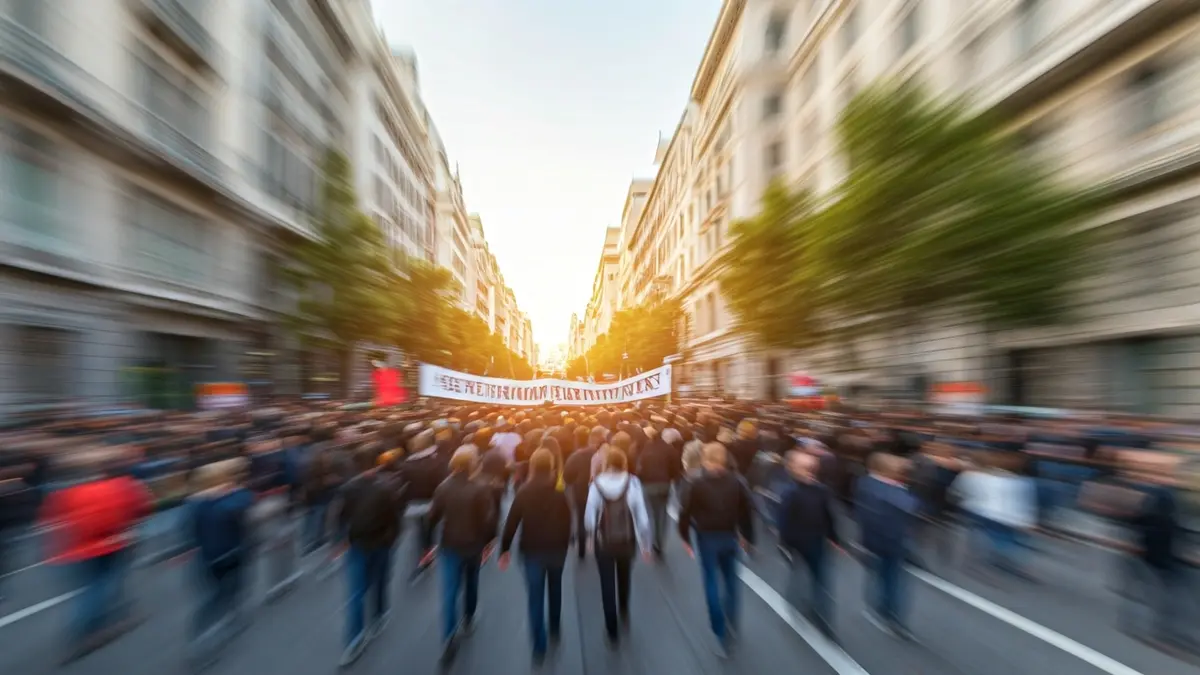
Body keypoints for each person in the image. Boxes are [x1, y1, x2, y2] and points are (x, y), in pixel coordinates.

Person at [40, 448, 153, 662]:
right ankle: (84, 632)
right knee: (102, 586)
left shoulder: (72, 491)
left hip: (78, 548)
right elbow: (143, 510)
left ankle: (105, 618)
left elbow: (55, 520)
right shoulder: (124, 487)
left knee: (91, 587)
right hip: (113, 544)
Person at [677, 443, 756, 657]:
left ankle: (719, 629)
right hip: (729, 536)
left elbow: (685, 512)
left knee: (711, 581)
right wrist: (747, 537)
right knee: (731, 581)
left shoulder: (696, 483)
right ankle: (732, 621)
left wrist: (685, 537)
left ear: (705, 460)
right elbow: (746, 510)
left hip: (707, 538)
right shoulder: (736, 481)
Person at [499, 449, 573, 665]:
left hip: (531, 550)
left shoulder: (524, 491)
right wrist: (566, 543)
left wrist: (504, 549)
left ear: (532, 466)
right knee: (555, 588)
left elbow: (511, 522)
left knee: (535, 596)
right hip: (557, 549)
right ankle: (555, 627)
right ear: (551, 466)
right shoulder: (559, 491)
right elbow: (568, 521)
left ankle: (539, 645)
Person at [425, 447, 498, 665]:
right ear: (473, 463)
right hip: (473, 545)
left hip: (449, 545)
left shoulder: (443, 487)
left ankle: (449, 636)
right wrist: (489, 542)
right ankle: (469, 616)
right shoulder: (480, 488)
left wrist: (428, 543)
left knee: (449, 591)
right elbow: (488, 519)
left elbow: (432, 518)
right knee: (471, 582)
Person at [336, 445, 405, 667]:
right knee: (381, 581)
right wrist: (392, 540)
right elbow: (395, 520)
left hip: (358, 544)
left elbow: (341, 517)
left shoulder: (348, 488)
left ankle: (354, 639)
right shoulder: (386, 488)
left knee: (356, 593)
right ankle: (380, 615)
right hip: (381, 543)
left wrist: (342, 540)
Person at [185, 458, 255, 666]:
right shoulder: (234, 500)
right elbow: (245, 509)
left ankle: (200, 637)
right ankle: (227, 620)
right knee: (230, 588)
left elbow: (191, 532)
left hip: (207, 557)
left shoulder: (196, 504)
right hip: (231, 553)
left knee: (212, 596)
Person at [584, 448, 652, 648]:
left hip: (603, 541)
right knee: (624, 576)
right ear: (623, 462)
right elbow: (642, 518)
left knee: (606, 582)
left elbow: (590, 515)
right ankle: (624, 610)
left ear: (606, 464)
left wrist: (589, 537)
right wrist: (645, 545)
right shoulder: (633, 483)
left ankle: (611, 628)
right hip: (627, 541)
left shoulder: (596, 484)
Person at [855, 453, 919, 640]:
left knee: (885, 575)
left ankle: (882, 610)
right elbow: (911, 506)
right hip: (889, 540)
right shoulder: (885, 489)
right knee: (892, 579)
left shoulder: (866, 483)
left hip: (881, 539)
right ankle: (891, 615)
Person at [776, 451, 839, 638]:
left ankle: (822, 615)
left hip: (817, 540)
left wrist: (834, 538)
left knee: (821, 578)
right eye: (805, 468)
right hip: (797, 541)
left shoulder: (822, 490)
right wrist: (785, 543)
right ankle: (796, 600)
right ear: (794, 470)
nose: (810, 471)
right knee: (801, 574)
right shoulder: (790, 493)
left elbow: (828, 516)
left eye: (812, 468)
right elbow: (784, 521)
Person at [636, 426, 682, 558]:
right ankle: (660, 542)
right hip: (664, 484)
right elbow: (676, 468)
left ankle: (652, 540)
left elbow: (640, 467)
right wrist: (671, 479)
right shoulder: (670, 450)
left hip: (649, 485)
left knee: (650, 513)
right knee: (662, 513)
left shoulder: (646, 450)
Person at [563, 425, 607, 559]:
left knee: (581, 517)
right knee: (599, 516)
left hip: (580, 490)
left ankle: (581, 548)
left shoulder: (575, 456)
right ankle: (598, 544)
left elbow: (567, 477)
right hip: (599, 490)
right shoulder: (599, 453)